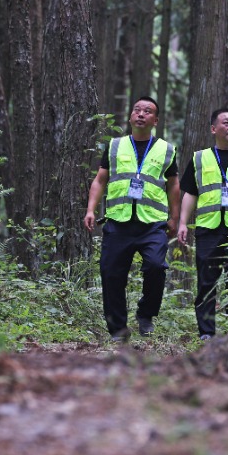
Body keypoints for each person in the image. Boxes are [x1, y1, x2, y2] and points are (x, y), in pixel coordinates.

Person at [84, 97, 180, 342]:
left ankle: (146, 315)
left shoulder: (166, 149)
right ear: (130, 117)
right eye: (137, 110)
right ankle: (118, 330)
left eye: (147, 111)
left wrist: (174, 217)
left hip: (152, 223)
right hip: (119, 221)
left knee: (157, 267)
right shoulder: (115, 146)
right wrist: (91, 210)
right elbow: (100, 180)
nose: (141, 114)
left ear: (155, 120)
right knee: (111, 273)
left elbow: (173, 185)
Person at [177, 108, 228, 340]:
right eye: (226, 123)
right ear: (214, 129)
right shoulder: (199, 158)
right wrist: (183, 223)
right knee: (206, 282)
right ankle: (206, 333)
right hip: (208, 228)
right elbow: (190, 193)